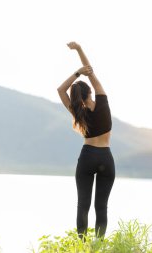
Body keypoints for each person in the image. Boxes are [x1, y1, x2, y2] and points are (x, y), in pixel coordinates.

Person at [57, 42, 115, 239]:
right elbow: (91, 72)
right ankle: (98, 246)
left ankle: (81, 247)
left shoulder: (77, 112)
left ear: (77, 97)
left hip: (88, 156)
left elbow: (60, 90)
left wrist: (76, 73)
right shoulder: (103, 100)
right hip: (106, 158)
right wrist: (80, 50)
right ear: (90, 91)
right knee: (101, 207)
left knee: (83, 205)